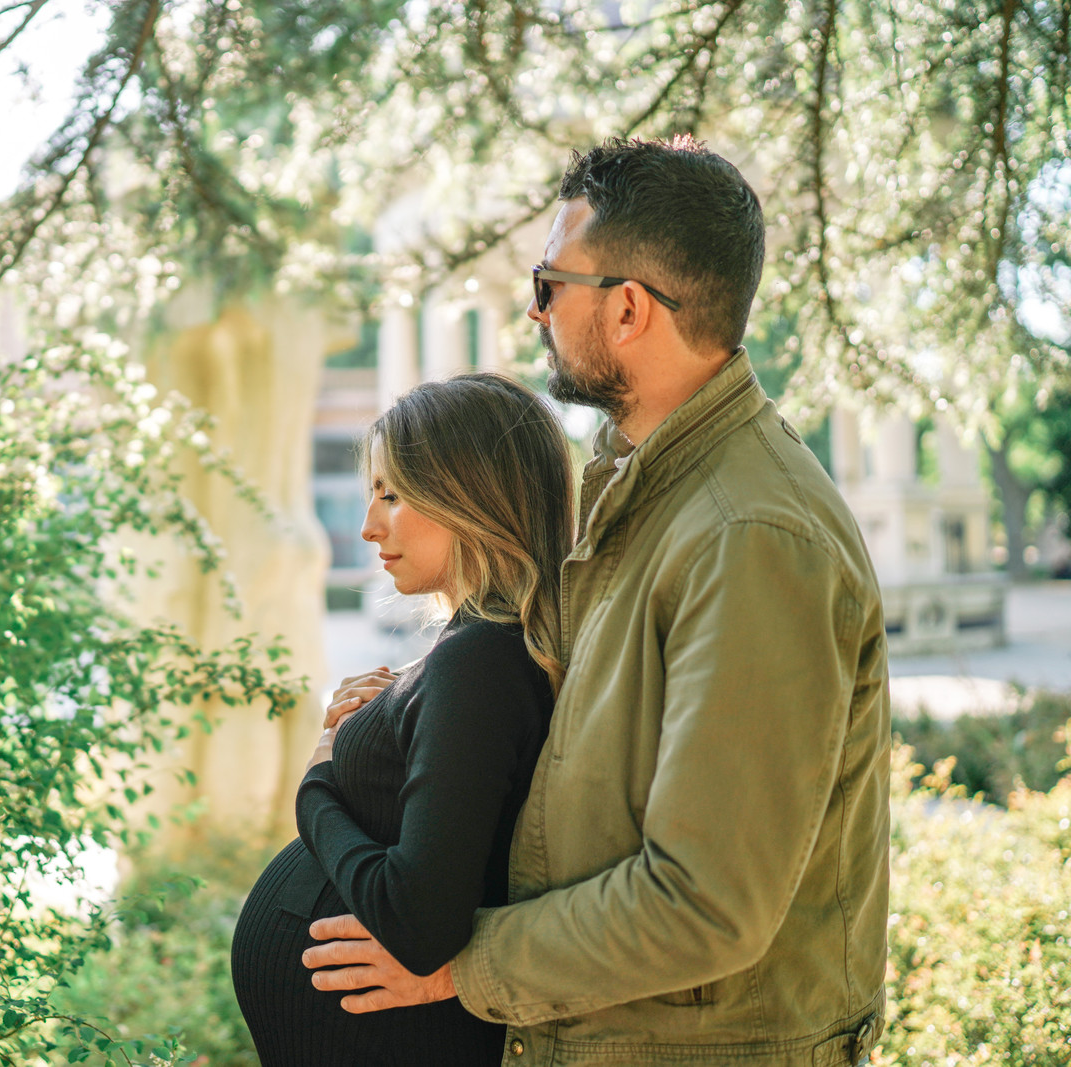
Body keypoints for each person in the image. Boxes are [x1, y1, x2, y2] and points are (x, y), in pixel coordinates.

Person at [301, 136, 892, 1067]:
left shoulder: (749, 536)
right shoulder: (645, 496)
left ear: (625, 308)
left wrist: (463, 968)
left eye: (550, 283)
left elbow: (704, 903)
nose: (535, 311)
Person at [230, 372, 576, 1065]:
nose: (368, 523)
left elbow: (418, 920)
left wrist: (318, 785)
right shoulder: (480, 648)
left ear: (468, 494)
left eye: (393, 493)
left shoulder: (480, 660)